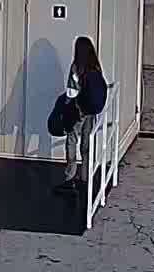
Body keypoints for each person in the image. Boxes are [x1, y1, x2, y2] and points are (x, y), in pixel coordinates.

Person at [56, 36, 108, 193]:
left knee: (72, 141)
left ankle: (70, 177)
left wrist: (65, 109)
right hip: (91, 112)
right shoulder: (95, 67)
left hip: (78, 111)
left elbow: (72, 92)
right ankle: (85, 178)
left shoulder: (77, 67)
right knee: (86, 145)